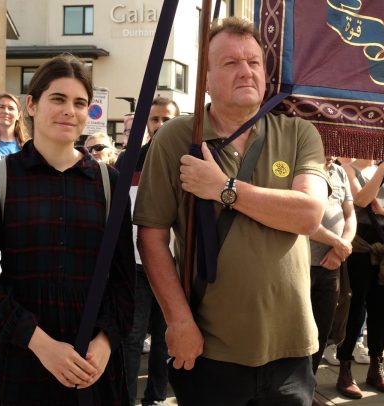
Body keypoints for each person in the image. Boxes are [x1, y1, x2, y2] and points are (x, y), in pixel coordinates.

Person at [134, 17, 328, 405]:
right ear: (205, 79)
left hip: (290, 349)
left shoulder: (298, 133)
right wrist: (177, 320)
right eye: (230, 62)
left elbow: (308, 214)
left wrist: (223, 189)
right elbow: (151, 238)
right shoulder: (176, 138)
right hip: (210, 350)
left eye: (254, 62)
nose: (246, 71)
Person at [0, 55, 135, 404]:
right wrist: (41, 345)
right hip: (15, 361)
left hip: (92, 365)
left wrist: (104, 344)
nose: (69, 111)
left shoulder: (109, 182)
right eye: (58, 99)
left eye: (80, 103)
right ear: (31, 104)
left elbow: (123, 281)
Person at [122, 96, 179, 406]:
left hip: (173, 267)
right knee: (131, 340)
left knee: (165, 339)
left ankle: (155, 398)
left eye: (167, 119)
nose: (160, 125)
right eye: (155, 119)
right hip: (136, 266)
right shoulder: (128, 159)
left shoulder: (191, 160)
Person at [336, 159, 384, 399]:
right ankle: (344, 369)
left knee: (381, 310)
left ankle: (376, 366)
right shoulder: (348, 169)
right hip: (360, 246)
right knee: (354, 309)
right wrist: (383, 170)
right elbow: (362, 200)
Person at [309, 156, 356, 376]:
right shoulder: (302, 166)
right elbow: (300, 219)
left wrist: (340, 248)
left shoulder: (339, 172)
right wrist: (338, 243)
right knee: (299, 331)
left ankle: (310, 381)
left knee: (322, 328)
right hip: (303, 264)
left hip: (332, 266)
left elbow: (350, 214)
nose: (331, 153)